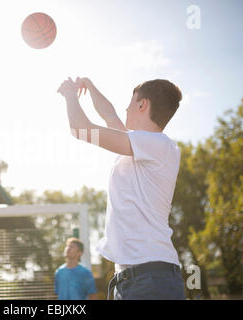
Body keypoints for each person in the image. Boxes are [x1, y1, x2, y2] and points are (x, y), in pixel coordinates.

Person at [57, 77, 185, 300]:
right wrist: (90, 85)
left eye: (130, 102)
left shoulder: (158, 144)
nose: (126, 108)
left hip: (150, 278)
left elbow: (81, 129)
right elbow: (110, 115)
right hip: (134, 279)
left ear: (142, 105)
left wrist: (69, 93)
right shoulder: (141, 147)